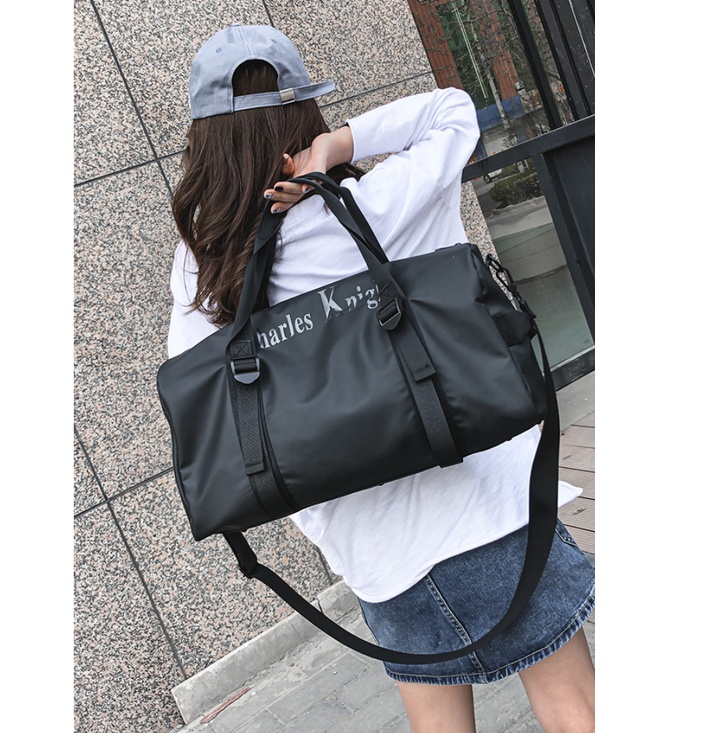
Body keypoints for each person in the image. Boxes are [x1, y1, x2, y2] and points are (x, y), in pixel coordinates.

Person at [167, 24, 595, 733]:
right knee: (573, 706)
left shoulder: (201, 264)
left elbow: (212, 411)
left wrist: (325, 522)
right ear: (303, 119)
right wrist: (337, 147)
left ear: (205, 142)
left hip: (376, 553)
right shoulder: (384, 201)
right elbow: (451, 110)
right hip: (489, 509)